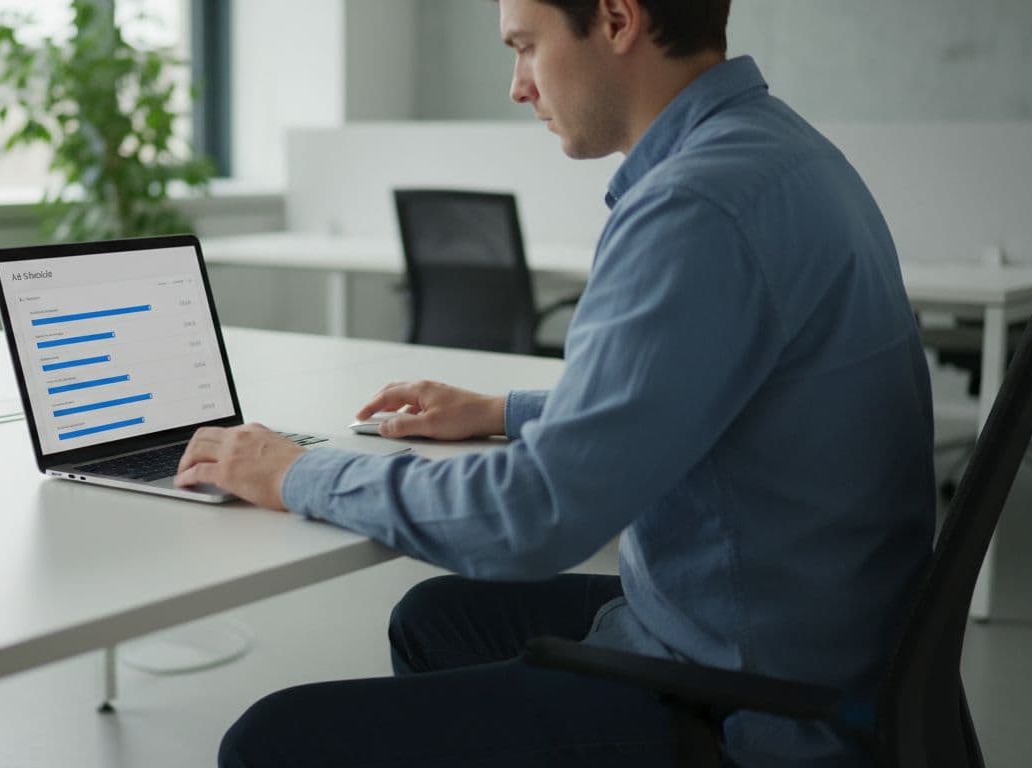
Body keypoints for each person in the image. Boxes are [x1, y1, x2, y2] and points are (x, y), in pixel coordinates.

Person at [177, 0, 936, 764]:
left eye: (526, 47)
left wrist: (298, 470)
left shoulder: (692, 205)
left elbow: (535, 515)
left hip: (750, 699)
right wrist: (504, 411)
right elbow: (712, 395)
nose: (518, 85)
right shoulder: (782, 152)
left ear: (615, 19)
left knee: (269, 742)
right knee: (435, 617)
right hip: (811, 641)